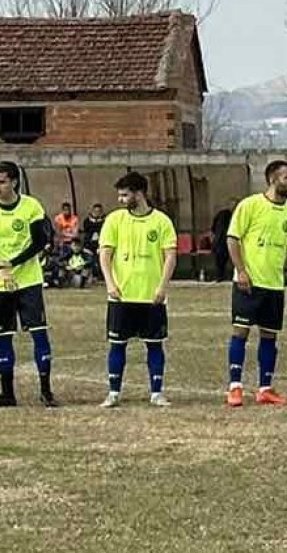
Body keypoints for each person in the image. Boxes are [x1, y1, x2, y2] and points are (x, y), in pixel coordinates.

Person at [224, 160, 287, 407]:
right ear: (273, 179)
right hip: (248, 283)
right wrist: (241, 271)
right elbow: (232, 239)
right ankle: (235, 387)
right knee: (240, 332)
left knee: (270, 336)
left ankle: (265, 388)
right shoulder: (250, 205)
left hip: (274, 285)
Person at [0, 162, 57, 408]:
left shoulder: (31, 206)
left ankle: (46, 390)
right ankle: (7, 393)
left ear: (14, 182)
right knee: (2, 337)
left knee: (38, 333)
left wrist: (12, 262)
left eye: (1, 182)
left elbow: (39, 242)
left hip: (28, 282)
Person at [97, 172, 178, 408]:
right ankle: (113, 393)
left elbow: (170, 256)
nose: (120, 200)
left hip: (151, 296)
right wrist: (110, 283)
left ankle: (157, 392)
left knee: (154, 344)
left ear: (139, 193)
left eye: (124, 195)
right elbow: (105, 254)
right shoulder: (114, 220)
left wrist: (162, 287)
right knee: (117, 344)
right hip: (122, 296)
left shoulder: (161, 221)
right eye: (119, 195)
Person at [82, 203, 107, 279]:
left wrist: (98, 220)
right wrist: (94, 221)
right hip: (89, 246)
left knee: (102, 258)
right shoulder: (87, 221)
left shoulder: (105, 222)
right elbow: (88, 230)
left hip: (100, 245)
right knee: (90, 259)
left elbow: (101, 230)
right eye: (95, 211)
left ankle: (101, 276)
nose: (97, 213)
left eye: (99, 211)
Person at [211, 203, 234, 281]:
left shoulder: (219, 217)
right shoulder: (232, 217)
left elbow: (213, 229)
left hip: (218, 241)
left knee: (219, 261)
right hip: (228, 240)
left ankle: (219, 276)